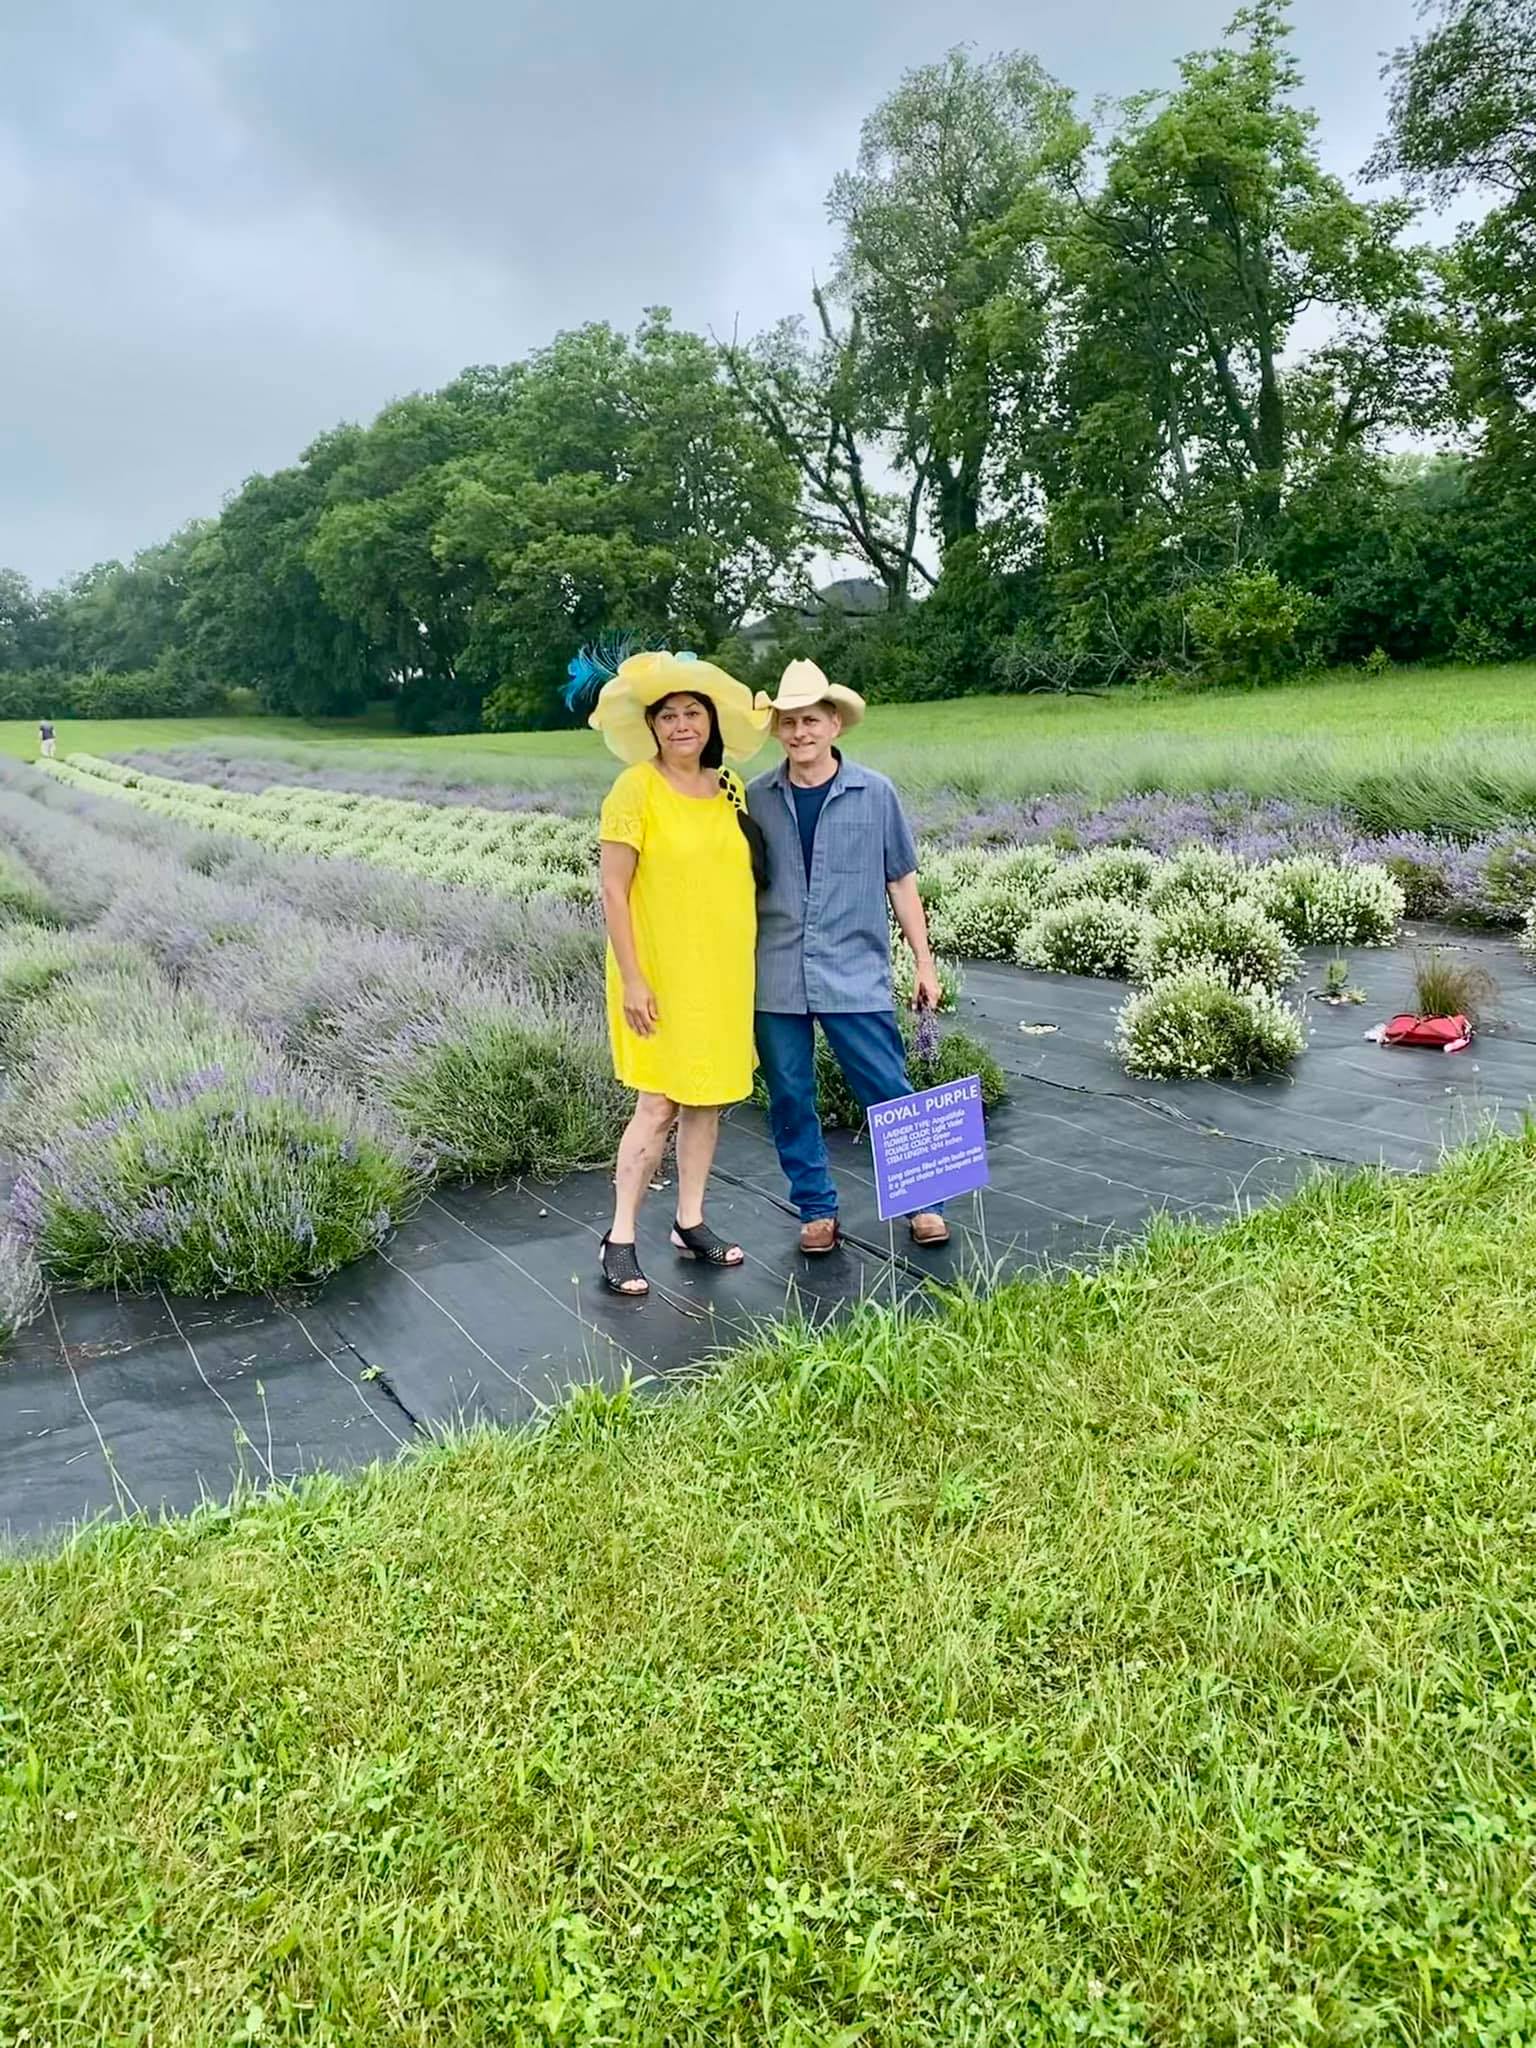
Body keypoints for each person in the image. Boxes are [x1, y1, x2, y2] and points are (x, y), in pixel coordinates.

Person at [747, 659, 950, 1253]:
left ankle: (925, 1203)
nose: (798, 733)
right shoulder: (757, 798)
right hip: (776, 971)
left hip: (853, 969)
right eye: (787, 723)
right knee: (788, 1093)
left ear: (834, 723)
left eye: (810, 720)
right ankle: (815, 1208)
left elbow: (901, 881)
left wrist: (925, 962)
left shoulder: (875, 792)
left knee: (887, 1084)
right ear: (777, 731)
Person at [588, 649, 770, 1298]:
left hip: (720, 973)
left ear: (711, 722)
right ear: (653, 726)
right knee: (658, 1102)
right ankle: (620, 1237)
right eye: (668, 715)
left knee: (708, 1096)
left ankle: (689, 1222)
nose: (681, 725)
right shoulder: (635, 788)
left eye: (692, 712)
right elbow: (613, 890)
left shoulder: (728, 787)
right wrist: (634, 979)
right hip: (659, 974)